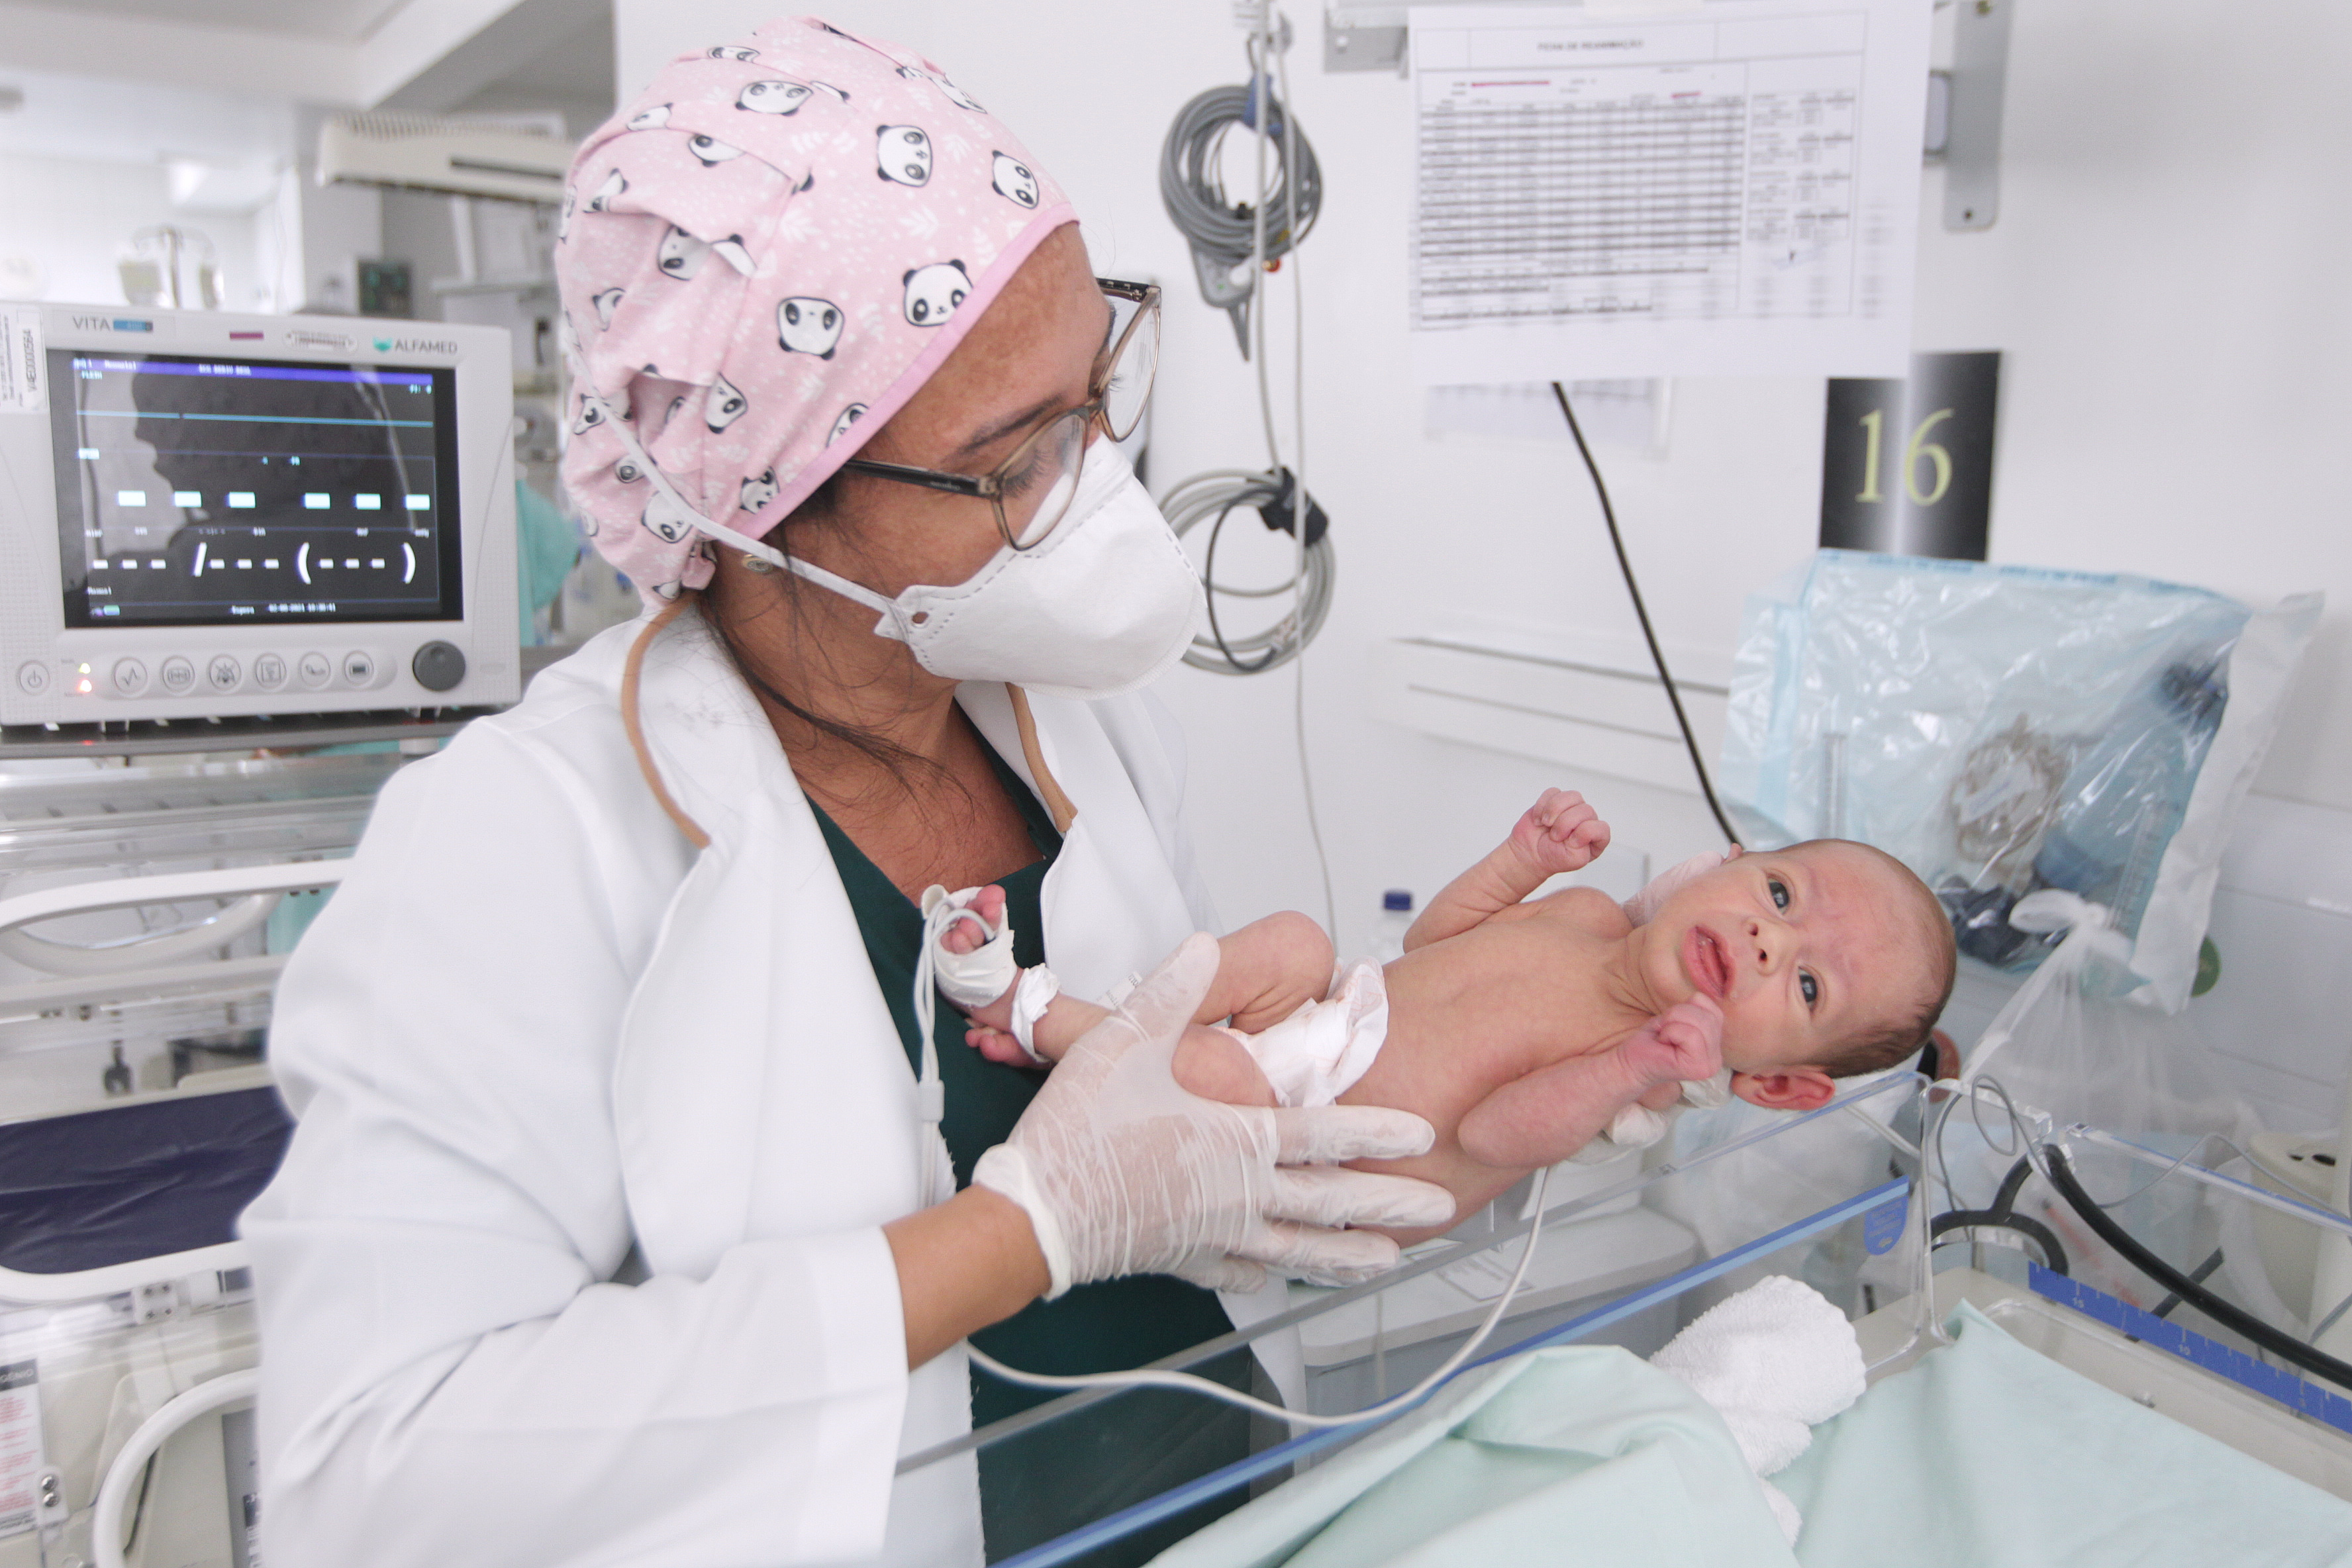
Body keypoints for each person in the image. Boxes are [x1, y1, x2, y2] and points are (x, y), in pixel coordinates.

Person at [241, 20, 1455, 1568]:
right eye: (1017, 460)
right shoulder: (518, 839)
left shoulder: (1095, 732)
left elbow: (1210, 1178)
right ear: (764, 507)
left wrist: (1381, 1045)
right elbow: (374, 1477)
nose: (1101, 492)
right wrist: (1024, 1228)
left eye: (1101, 396)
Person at [936, 788, 1960, 1237]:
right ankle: (1114, 1021)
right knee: (1292, 937)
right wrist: (1522, 861)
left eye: (1808, 986)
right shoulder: (1591, 912)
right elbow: (1436, 945)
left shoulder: (1623, 1071)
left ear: (1777, 1082)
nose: (1769, 941)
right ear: (1729, 863)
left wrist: (1629, 1065)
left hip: (1314, 1138)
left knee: (1216, 1078)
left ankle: (1045, 1021)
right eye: (1779, 895)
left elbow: (1491, 1132)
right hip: (1329, 1017)